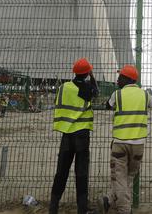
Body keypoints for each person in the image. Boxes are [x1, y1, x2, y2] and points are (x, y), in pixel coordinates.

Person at [98, 65, 152, 214]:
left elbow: (107, 106)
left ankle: (124, 210)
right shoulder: (145, 95)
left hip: (120, 143)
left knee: (120, 178)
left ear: (128, 79)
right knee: (128, 177)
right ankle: (109, 201)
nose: (117, 80)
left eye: (120, 77)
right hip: (138, 145)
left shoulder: (116, 95)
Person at [49, 58, 99, 214]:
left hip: (66, 134)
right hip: (82, 135)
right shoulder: (86, 88)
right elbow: (96, 92)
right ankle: (82, 209)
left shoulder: (64, 87)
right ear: (87, 73)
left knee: (61, 171)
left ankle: (53, 207)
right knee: (81, 172)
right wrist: (92, 76)